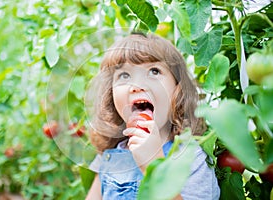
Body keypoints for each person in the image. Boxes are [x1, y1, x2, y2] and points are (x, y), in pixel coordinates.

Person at [85, 32, 220, 200]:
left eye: (154, 71)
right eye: (124, 75)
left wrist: (153, 167)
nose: (137, 85)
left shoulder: (191, 158)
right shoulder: (109, 156)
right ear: (110, 95)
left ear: (178, 90)